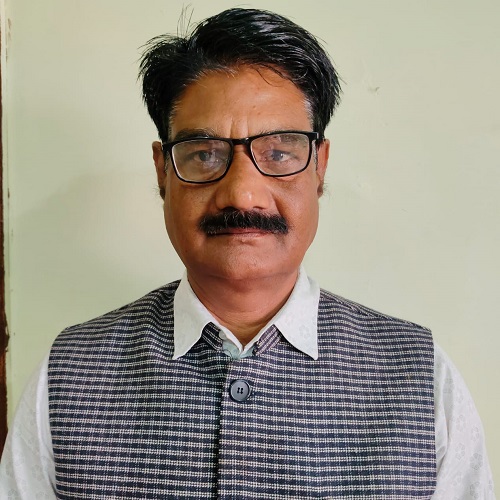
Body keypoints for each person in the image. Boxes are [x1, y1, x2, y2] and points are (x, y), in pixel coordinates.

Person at [0, 7, 494, 499]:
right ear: (162, 171)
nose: (242, 194)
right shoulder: (69, 375)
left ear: (319, 167)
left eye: (279, 153)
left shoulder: (419, 378)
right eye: (204, 154)